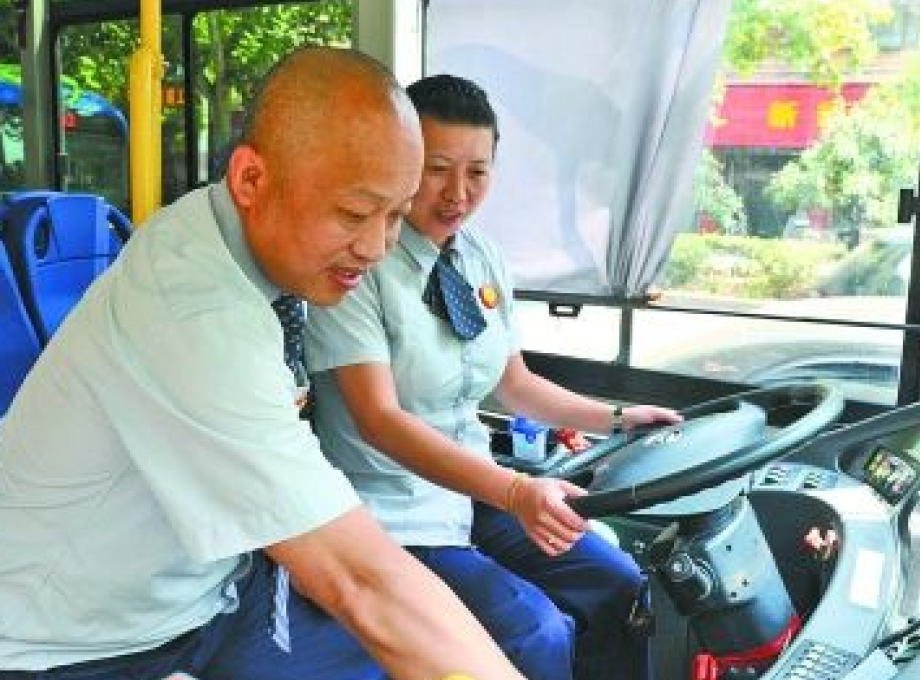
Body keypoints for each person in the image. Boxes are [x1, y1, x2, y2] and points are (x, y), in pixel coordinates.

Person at [0, 48, 527, 680]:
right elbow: (358, 580)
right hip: (80, 644)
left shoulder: (247, 246)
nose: (377, 246)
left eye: (394, 214)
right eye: (356, 214)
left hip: (212, 595)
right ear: (251, 180)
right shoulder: (195, 313)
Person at [305, 73, 682, 680]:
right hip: (389, 514)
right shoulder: (357, 265)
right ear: (399, 162)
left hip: (474, 490)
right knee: (538, 632)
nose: (457, 192)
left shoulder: (479, 255)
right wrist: (513, 492)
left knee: (621, 585)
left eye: (477, 172)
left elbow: (515, 385)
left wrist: (618, 417)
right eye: (436, 168)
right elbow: (378, 420)